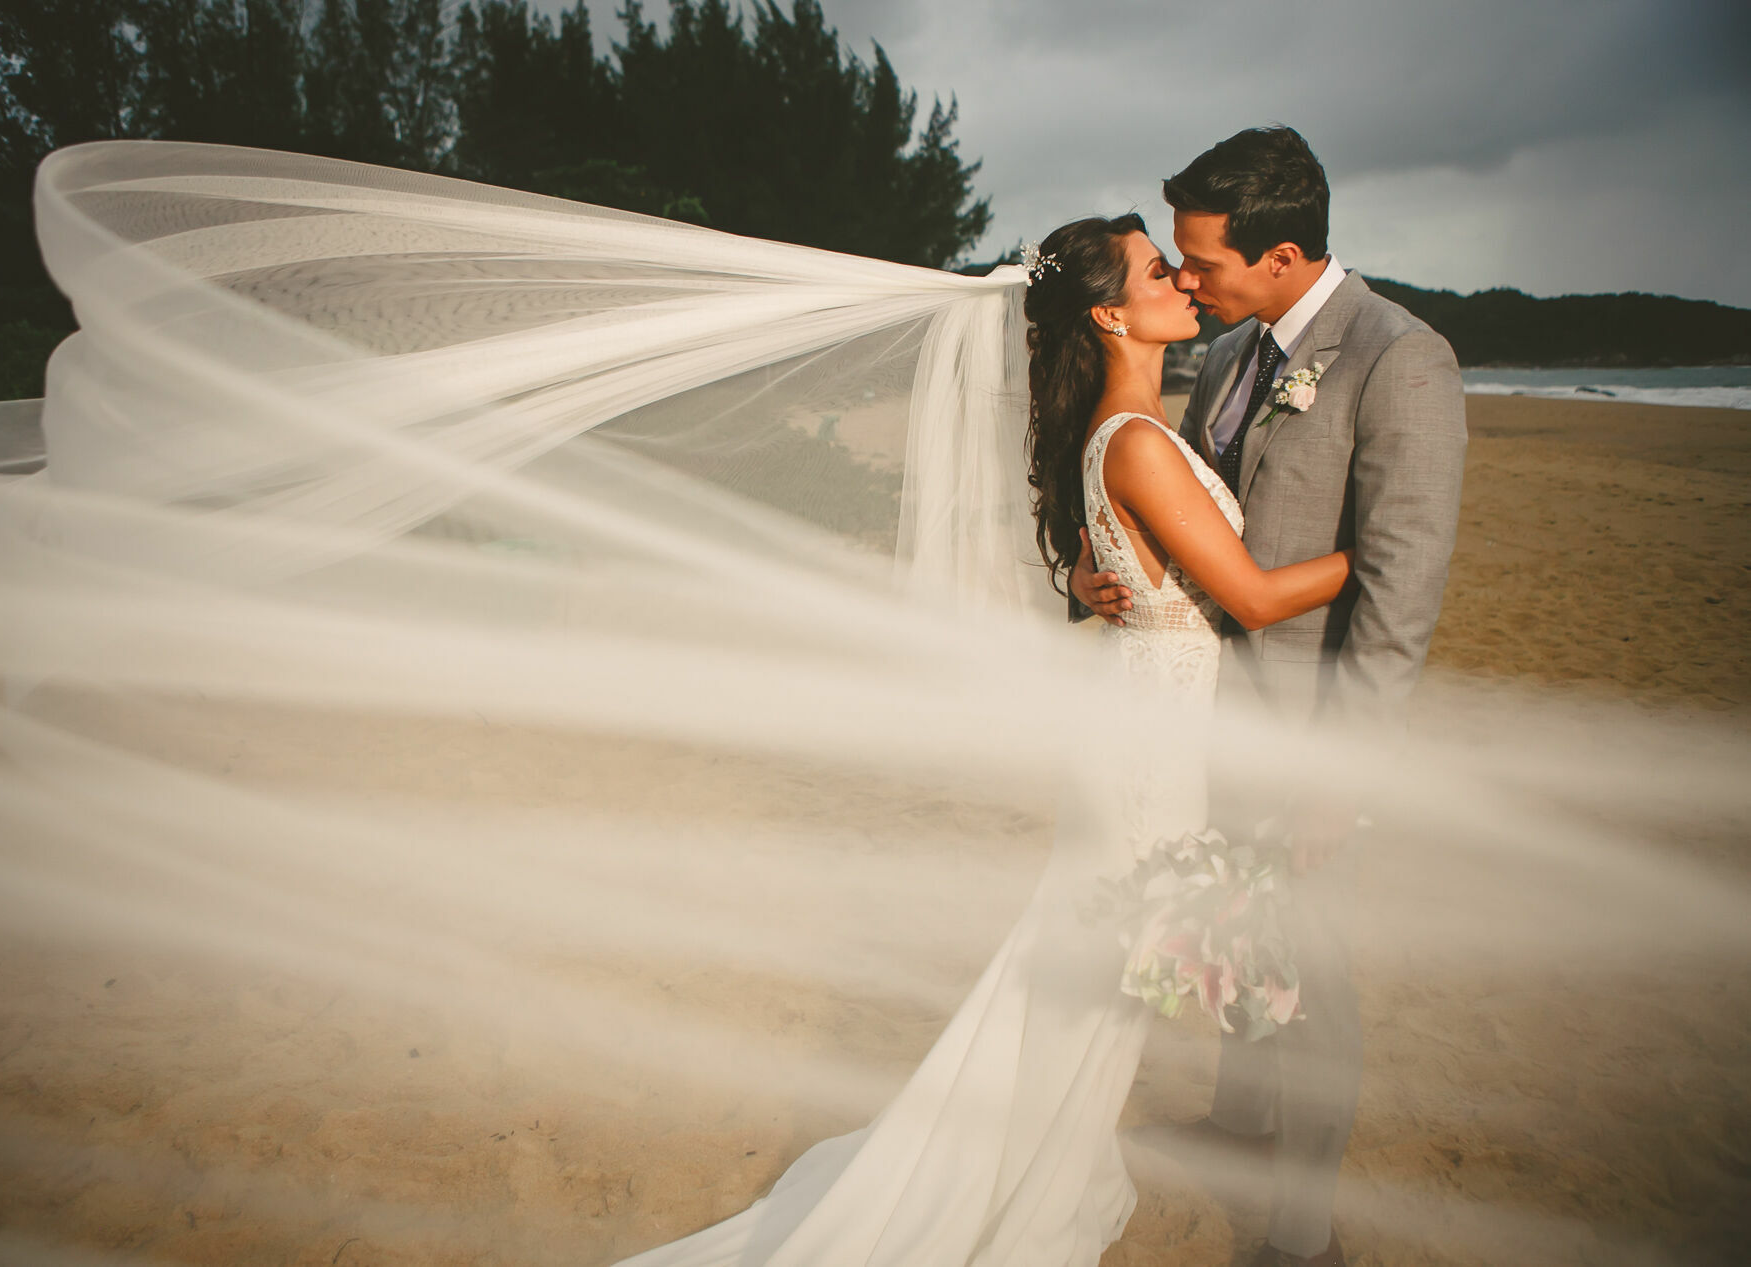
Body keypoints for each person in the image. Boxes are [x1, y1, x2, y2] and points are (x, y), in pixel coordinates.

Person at [612, 209, 1358, 1265]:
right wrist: (1370, 551)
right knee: (1095, 989)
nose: (1181, 283)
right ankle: (1016, 1182)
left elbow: (1153, 575)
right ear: (1109, 310)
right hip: (1147, 758)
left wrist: (1119, 590)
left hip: (1144, 739)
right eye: (1157, 271)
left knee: (1087, 985)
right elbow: (1251, 594)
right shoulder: (1136, 443)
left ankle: (1035, 1157)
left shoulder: (1131, 432)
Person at [1072, 126, 1468, 1267]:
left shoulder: (1401, 359)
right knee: (1239, 939)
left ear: (1284, 254)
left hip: (1308, 737)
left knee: (1317, 982)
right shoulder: (1239, 348)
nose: (1187, 279)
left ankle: (1302, 1236)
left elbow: (1399, 594)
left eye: (1203, 262)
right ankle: (1238, 1120)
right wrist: (1116, 578)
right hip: (1212, 719)